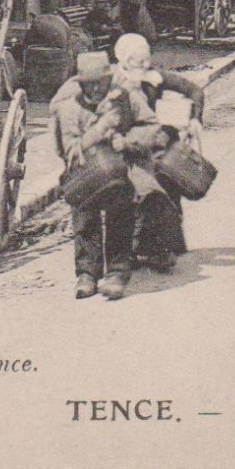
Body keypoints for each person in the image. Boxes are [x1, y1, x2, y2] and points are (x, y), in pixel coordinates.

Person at [111, 33, 205, 277]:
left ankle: (159, 246)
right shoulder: (113, 81)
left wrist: (194, 119)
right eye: (138, 61)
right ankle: (128, 249)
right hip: (123, 145)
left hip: (153, 144)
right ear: (124, 60)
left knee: (165, 181)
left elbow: (194, 90)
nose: (145, 65)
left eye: (147, 59)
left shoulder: (155, 77)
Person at [52, 51, 134, 300]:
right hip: (84, 172)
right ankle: (87, 272)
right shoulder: (69, 109)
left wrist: (122, 138)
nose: (97, 88)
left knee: (120, 209)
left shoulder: (119, 101)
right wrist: (101, 128)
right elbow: (71, 149)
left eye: (101, 82)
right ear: (82, 84)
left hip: (117, 170)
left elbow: (132, 131)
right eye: (91, 83)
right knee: (85, 216)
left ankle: (117, 271)